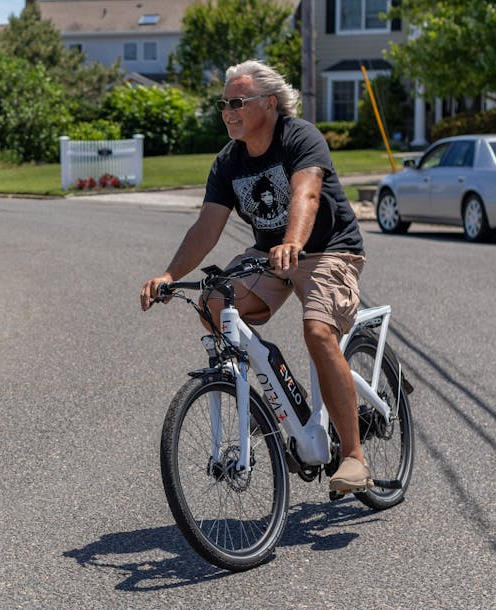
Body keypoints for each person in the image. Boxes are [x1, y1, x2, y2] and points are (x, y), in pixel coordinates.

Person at [138, 59, 370, 493]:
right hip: (270, 255)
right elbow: (207, 226)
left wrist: (294, 242)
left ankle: (354, 455)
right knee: (213, 303)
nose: (228, 110)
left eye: (237, 102)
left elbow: (307, 193)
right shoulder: (229, 162)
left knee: (318, 332)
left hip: (326, 250)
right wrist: (169, 273)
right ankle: (273, 402)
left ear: (269, 102)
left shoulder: (299, 136)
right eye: (224, 103)